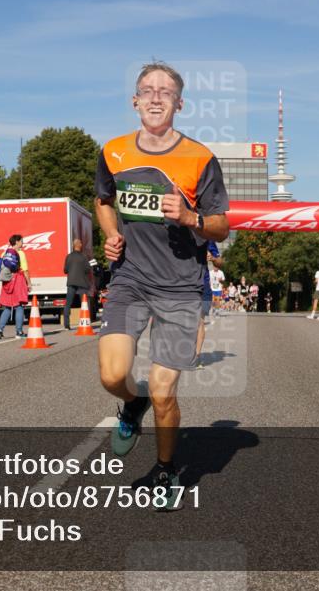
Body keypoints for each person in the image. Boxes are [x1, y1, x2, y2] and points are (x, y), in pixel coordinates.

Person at [95, 61, 229, 511]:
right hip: (130, 278)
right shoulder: (112, 151)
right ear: (135, 101)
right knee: (113, 375)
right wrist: (111, 234)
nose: (156, 97)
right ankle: (131, 407)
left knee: (163, 390)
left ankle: (167, 468)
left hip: (180, 286)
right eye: (147, 90)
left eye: (165, 91)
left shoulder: (200, 158)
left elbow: (222, 226)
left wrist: (191, 217)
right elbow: (102, 200)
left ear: (179, 103)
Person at [0, 234, 30, 339]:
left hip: (7, 283)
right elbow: (25, 270)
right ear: (17, 242)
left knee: (7, 307)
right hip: (17, 281)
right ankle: (19, 332)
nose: (22, 243)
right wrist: (29, 283)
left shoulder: (4, 253)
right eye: (21, 241)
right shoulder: (20, 253)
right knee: (19, 306)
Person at [195, 241, 221, 369]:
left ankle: (196, 356)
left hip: (203, 285)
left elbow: (219, 262)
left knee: (199, 320)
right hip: (181, 282)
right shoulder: (177, 230)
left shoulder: (207, 237)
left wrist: (213, 258)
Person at [63, 238, 92, 330]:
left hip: (71, 282)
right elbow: (88, 270)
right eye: (81, 243)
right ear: (79, 245)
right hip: (82, 283)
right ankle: (86, 322)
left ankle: (66, 324)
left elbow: (65, 270)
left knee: (68, 303)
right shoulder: (83, 257)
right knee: (84, 303)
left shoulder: (68, 256)